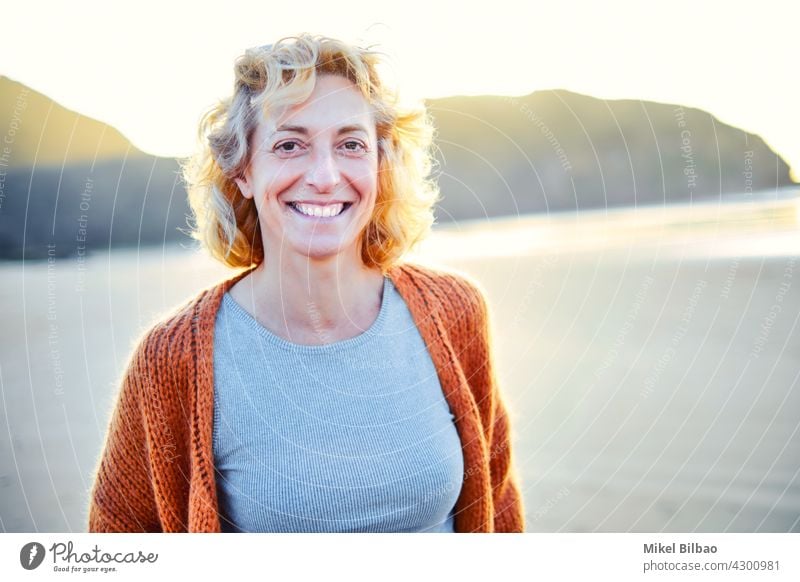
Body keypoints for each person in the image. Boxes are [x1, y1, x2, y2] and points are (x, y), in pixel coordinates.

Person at [87, 34, 524, 533]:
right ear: (244, 172)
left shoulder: (454, 310)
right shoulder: (170, 360)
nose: (323, 175)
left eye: (351, 144)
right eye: (290, 144)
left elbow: (498, 502)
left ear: (380, 166)